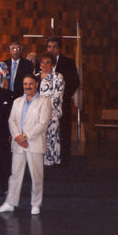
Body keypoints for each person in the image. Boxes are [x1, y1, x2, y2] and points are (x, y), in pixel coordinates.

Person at [0, 74, 52, 215]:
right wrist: (18, 137)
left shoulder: (44, 102)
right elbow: (12, 121)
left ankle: (36, 204)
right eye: (25, 84)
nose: (27, 86)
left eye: (30, 84)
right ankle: (10, 202)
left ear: (36, 84)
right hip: (19, 144)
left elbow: (43, 124)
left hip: (35, 143)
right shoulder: (17, 101)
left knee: (36, 176)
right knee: (15, 175)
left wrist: (26, 136)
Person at [46, 37, 80, 166]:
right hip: (45, 104)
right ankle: (48, 158)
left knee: (64, 131)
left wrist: (62, 96)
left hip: (62, 103)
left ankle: (64, 161)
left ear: (59, 49)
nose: (51, 49)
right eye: (49, 46)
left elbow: (75, 82)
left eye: (54, 47)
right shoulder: (43, 62)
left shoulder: (68, 62)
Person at [37, 52, 64, 166]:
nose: (45, 65)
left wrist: (45, 110)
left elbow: (57, 96)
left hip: (51, 113)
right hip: (36, 114)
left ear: (52, 65)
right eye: (43, 62)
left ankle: (51, 163)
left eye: (48, 62)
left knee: (51, 138)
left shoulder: (57, 77)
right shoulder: (35, 76)